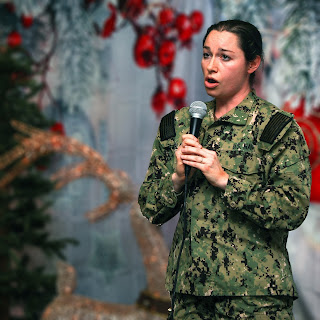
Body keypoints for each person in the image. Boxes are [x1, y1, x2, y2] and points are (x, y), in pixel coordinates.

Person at [138, 19, 311, 320]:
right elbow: (150, 208)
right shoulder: (178, 125)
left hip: (255, 298)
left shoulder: (275, 128)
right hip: (189, 298)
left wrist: (226, 181)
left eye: (225, 56)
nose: (211, 66)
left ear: (252, 63)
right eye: (206, 54)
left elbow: (292, 209)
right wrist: (177, 179)